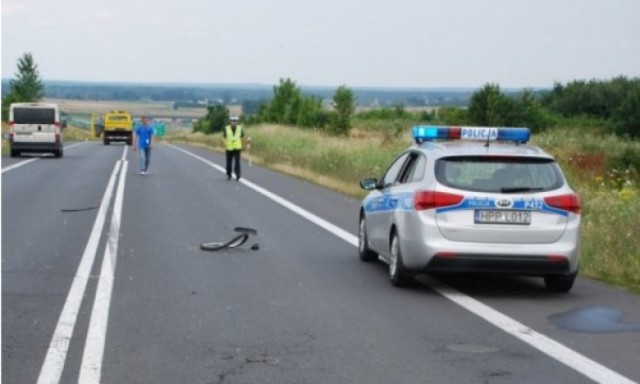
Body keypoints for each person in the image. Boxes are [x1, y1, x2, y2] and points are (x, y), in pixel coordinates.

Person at [222, 115, 245, 181]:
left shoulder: (240, 128)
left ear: (237, 122)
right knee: (229, 162)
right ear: (230, 122)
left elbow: (242, 138)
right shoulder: (226, 128)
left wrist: (243, 145)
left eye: (235, 121)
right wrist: (225, 144)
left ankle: (238, 174)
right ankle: (229, 174)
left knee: (237, 161)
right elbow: (223, 137)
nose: (234, 122)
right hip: (229, 147)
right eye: (232, 121)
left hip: (237, 147)